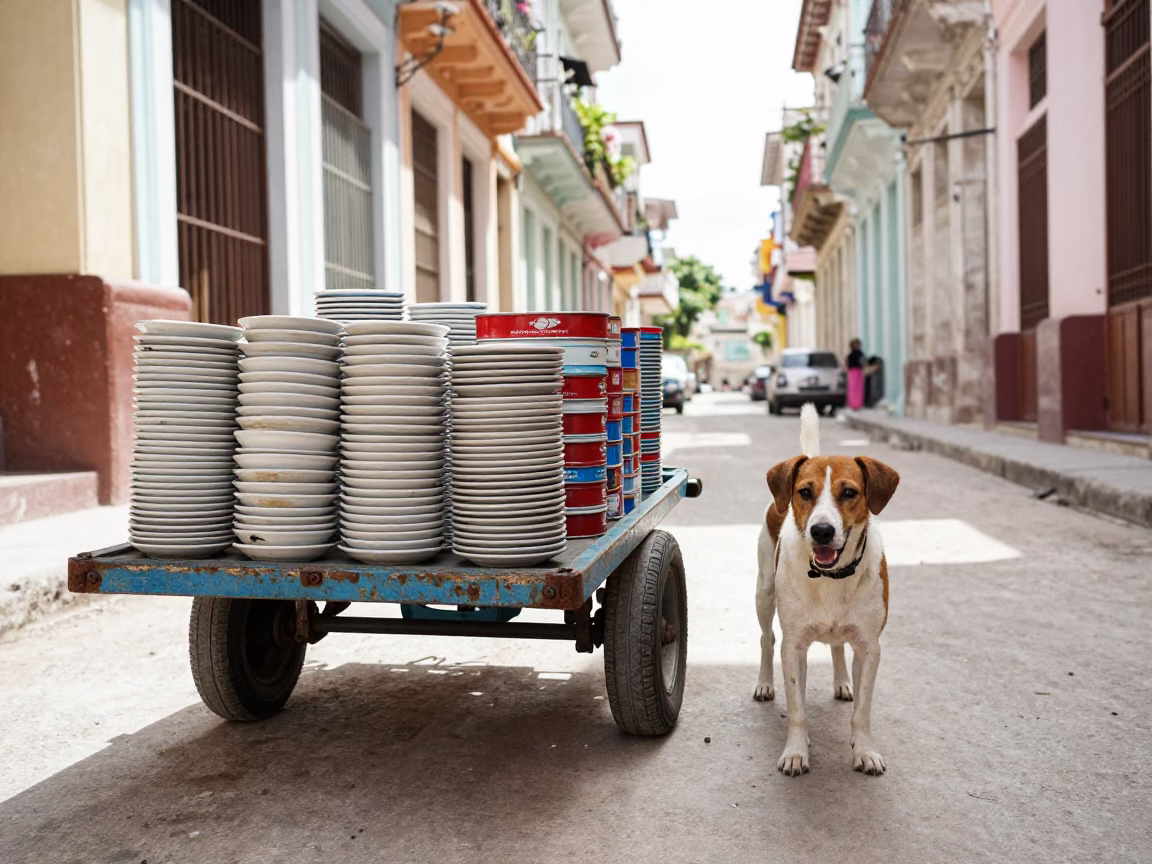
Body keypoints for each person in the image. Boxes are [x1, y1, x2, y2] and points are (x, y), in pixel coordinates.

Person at [846, 339, 866, 410]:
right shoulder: (850, 354)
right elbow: (847, 363)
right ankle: (852, 404)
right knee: (852, 388)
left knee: (859, 388)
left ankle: (858, 404)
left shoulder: (860, 354)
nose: (856, 346)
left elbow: (863, 362)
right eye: (855, 344)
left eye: (857, 344)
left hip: (858, 371)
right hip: (852, 372)